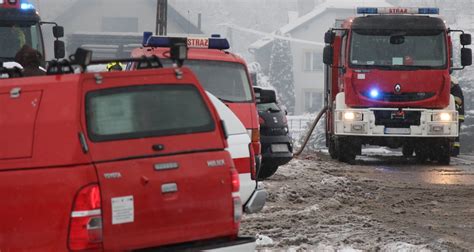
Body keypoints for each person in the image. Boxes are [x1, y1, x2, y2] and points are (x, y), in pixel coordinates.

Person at [450, 76, 464, 156]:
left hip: (458, 115)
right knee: (454, 133)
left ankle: (455, 151)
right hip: (455, 114)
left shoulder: (456, 89)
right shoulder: (455, 89)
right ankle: (453, 150)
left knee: (455, 134)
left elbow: (458, 100)